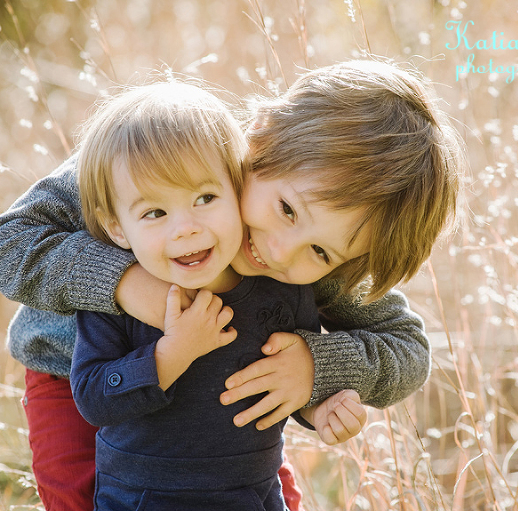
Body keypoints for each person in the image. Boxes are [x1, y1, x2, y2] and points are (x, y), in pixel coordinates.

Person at [0, 58, 462, 511]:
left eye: (321, 253)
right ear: (261, 139)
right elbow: (9, 246)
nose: (280, 251)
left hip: (218, 419)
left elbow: (409, 349)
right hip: (74, 375)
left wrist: (316, 366)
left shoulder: (314, 264)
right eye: (287, 210)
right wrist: (129, 284)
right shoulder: (153, 149)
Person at [68, 81, 364, 510]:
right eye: (155, 212)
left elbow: (284, 382)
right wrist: (172, 353)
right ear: (117, 227)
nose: (185, 227)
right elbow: (94, 398)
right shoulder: (117, 295)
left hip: (253, 493)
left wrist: (318, 409)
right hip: (143, 498)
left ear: (238, 187)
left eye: (205, 198)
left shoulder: (283, 286)